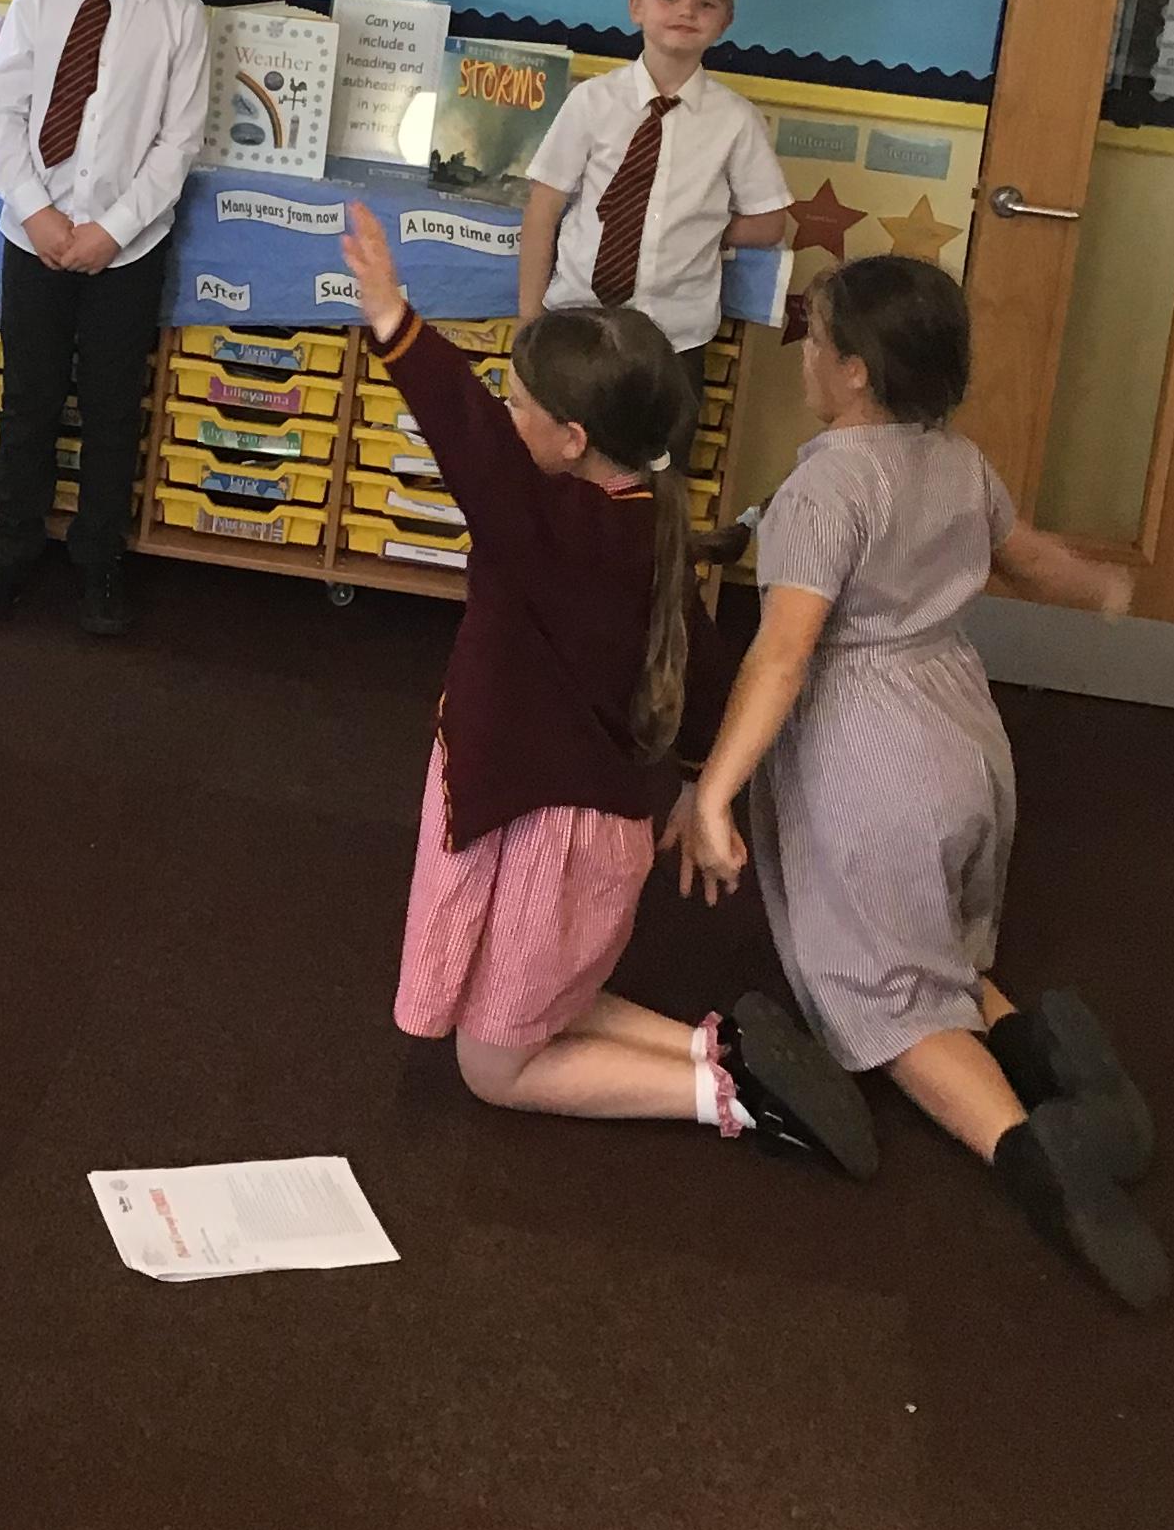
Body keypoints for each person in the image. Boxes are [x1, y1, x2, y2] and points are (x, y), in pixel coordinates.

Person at [662, 253, 1169, 1309]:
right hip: (965, 735)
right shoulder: (958, 462)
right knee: (935, 934)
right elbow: (1027, 557)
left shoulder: (829, 488)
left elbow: (784, 657)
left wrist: (713, 790)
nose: (805, 356)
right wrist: (1104, 587)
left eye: (815, 341)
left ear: (854, 371)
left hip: (870, 754)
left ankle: (1032, 1157)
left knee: (887, 990)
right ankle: (1046, 1054)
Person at [339, 198, 876, 1173]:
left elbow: (470, 442)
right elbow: (704, 671)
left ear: (573, 438)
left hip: (549, 828)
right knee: (524, 992)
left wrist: (394, 321)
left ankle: (732, 1099)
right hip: (559, 819)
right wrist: (699, 786)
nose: (505, 416)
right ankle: (717, 1049)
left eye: (520, 406)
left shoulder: (552, 530)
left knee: (492, 1067)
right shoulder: (643, 518)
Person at [0, 0, 212, 638]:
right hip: (34, 234)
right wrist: (38, 213)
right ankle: (10, 549)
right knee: (29, 398)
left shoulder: (183, 17)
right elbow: (4, 111)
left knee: (109, 405)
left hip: (125, 249)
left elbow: (177, 145)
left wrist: (110, 231)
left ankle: (99, 559)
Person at [517, 0, 789, 463]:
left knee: (659, 474)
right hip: (574, 324)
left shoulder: (736, 121)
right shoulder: (592, 102)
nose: (687, 11)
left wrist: (705, 227)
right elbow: (543, 210)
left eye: (706, 3)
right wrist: (528, 325)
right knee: (559, 466)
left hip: (673, 340)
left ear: (725, 21)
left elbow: (770, 222)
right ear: (636, 6)